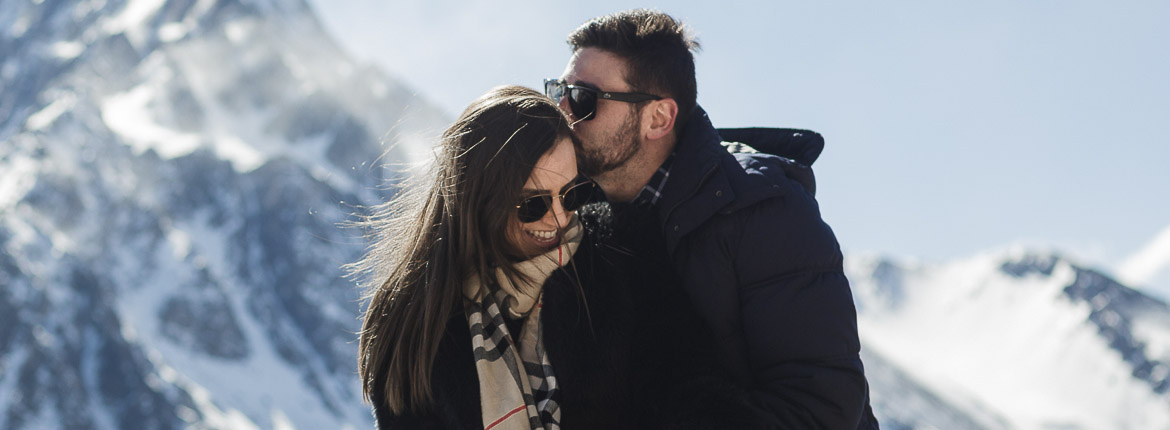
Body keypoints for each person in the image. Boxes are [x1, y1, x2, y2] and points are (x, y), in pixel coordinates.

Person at [545, 9, 880, 429]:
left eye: (582, 98)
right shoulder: (566, 214)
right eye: (558, 90)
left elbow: (820, 408)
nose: (561, 110)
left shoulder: (765, 212)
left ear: (658, 118)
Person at [352, 85, 758, 430]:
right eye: (532, 205)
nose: (560, 218)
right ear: (478, 204)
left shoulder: (621, 256)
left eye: (572, 193)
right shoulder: (414, 319)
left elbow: (695, 392)